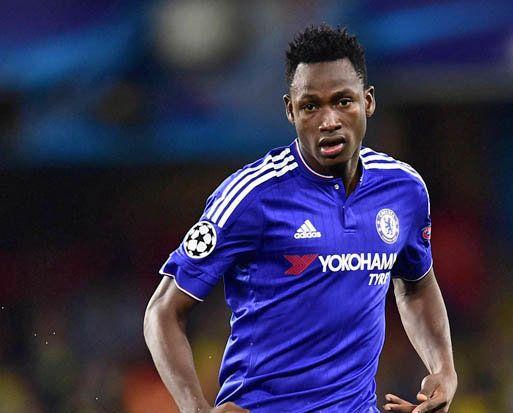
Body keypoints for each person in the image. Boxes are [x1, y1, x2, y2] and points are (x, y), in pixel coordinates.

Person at [144, 24, 457, 413]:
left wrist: (443, 369)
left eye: (343, 101)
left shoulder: (403, 190)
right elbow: (163, 311)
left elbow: (415, 285)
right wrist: (196, 409)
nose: (329, 120)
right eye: (311, 106)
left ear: (368, 101)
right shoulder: (252, 196)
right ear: (290, 110)